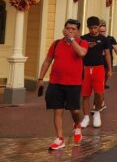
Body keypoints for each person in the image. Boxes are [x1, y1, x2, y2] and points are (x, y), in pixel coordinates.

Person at [37, 19, 89, 150]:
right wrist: (41, 77)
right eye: (68, 28)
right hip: (56, 82)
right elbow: (47, 61)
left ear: (78, 31)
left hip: (74, 83)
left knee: (75, 110)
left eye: (73, 29)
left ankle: (77, 125)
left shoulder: (82, 43)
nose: (70, 31)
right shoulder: (56, 44)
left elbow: (82, 53)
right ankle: (60, 139)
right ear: (64, 29)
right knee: (57, 110)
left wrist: (71, 41)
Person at [79, 16, 112, 129]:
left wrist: (110, 69)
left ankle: (97, 112)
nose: (93, 30)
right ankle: (86, 117)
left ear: (98, 26)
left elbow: (107, 54)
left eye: (95, 27)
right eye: (91, 28)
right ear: (87, 27)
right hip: (86, 68)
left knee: (99, 93)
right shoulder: (83, 38)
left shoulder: (104, 39)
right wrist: (86, 46)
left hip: (99, 68)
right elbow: (78, 52)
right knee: (85, 94)